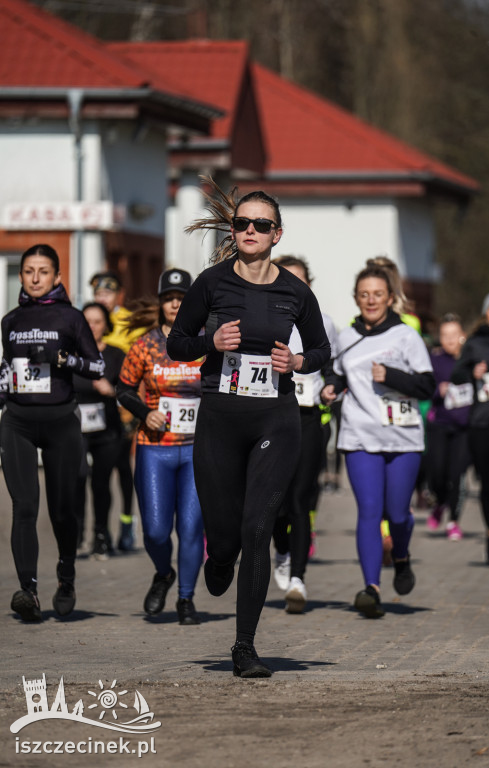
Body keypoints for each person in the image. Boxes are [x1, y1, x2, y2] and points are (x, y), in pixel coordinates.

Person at [167, 179, 330, 676]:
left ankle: (244, 646)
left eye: (262, 224)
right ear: (233, 230)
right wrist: (210, 340)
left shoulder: (294, 291)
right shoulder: (211, 284)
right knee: (226, 533)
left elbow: (322, 350)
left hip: (275, 418)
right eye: (242, 223)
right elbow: (177, 343)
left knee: (258, 527)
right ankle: (219, 559)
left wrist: (299, 360)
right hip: (219, 417)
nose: (251, 230)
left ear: (277, 234)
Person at [322, 265, 435, 618]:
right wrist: (331, 387)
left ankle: (401, 556)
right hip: (359, 435)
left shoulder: (406, 336)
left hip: (402, 438)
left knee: (398, 514)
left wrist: (392, 376)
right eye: (364, 294)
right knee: (370, 512)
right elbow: (337, 374)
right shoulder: (346, 336)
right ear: (356, 298)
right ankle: (371, 588)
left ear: (390, 298)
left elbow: (427, 386)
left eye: (378, 294)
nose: (371, 300)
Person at [0, 244, 104, 621]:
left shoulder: (72, 318)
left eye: (43, 271)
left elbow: (97, 365)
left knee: (62, 510)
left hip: (61, 420)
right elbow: (6, 368)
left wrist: (63, 360)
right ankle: (27, 590)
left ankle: (66, 575)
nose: (35, 278)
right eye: (28, 271)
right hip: (17, 421)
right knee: (24, 507)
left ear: (57, 276)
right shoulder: (10, 320)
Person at [117, 269, 204, 625]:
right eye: (169, 297)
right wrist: (145, 412)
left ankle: (186, 598)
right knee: (154, 530)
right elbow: (123, 389)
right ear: (160, 302)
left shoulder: (205, 343)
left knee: (191, 527)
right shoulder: (146, 344)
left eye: (181, 298)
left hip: (198, 450)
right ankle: (162, 573)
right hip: (155, 448)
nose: (174, 303)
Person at [270, 255, 339, 614]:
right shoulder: (265, 316)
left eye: (300, 282)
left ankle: (298, 577)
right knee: (275, 503)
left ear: (308, 285)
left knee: (301, 499)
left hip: (310, 418)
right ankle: (280, 549)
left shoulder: (323, 322)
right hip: (270, 416)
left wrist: (331, 387)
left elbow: (335, 369)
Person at [451, 291, 489, 566]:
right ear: (486, 313)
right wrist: (472, 372)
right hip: (482, 424)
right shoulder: (475, 344)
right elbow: (457, 374)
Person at [90, 271, 141, 551]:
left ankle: (126, 522)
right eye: (99, 293)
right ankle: (99, 528)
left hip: (124, 400)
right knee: (98, 471)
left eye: (107, 293)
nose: (102, 298)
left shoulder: (129, 321)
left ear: (118, 294)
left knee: (123, 467)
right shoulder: (90, 320)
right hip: (96, 402)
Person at [74, 303, 125, 558]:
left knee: (101, 483)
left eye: (97, 321)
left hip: (108, 429)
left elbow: (128, 390)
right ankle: (76, 535)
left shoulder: (116, 354)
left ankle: (101, 536)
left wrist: (112, 390)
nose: (92, 326)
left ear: (106, 325)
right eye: (87, 321)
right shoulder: (72, 355)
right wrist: (94, 382)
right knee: (77, 477)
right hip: (76, 427)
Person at [425, 314, 471, 539]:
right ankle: (439, 502)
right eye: (445, 335)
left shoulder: (471, 360)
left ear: (462, 336)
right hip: (440, 425)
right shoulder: (435, 360)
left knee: (457, 476)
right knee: (438, 474)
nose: (450, 340)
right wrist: (438, 391)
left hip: (464, 428)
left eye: (454, 335)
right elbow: (425, 386)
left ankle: (453, 520)